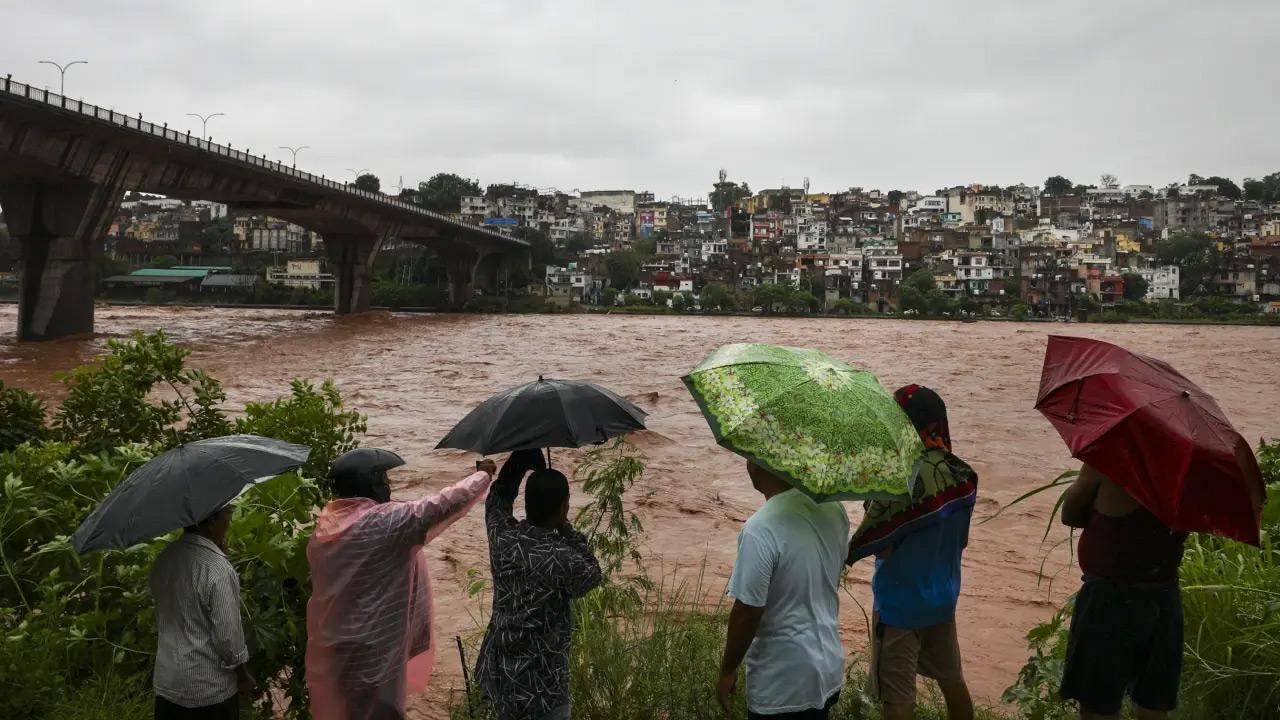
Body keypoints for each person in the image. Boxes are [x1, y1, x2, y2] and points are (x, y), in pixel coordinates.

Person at [305, 455, 496, 720]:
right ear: (369, 484)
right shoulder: (383, 523)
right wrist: (482, 476)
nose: (389, 485)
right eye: (383, 479)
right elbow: (441, 505)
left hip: (335, 651)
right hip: (375, 652)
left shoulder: (324, 530)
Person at [846, 384, 976, 720]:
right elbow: (960, 541)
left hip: (900, 607)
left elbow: (881, 546)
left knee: (898, 697)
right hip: (942, 599)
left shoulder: (899, 481)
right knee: (952, 681)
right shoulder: (963, 474)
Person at [717, 460, 849, 720]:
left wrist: (727, 670)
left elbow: (747, 611)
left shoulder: (760, 528)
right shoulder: (834, 509)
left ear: (759, 465)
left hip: (782, 683)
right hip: (828, 668)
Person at [476, 449, 603, 720]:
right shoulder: (561, 558)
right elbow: (592, 573)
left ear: (528, 503)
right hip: (544, 691)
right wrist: (565, 527)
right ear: (563, 507)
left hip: (503, 682)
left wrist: (521, 459)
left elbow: (497, 499)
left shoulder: (503, 540)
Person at [1058, 463, 1188, 720]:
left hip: (1111, 599)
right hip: (1164, 596)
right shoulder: (1187, 468)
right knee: (1153, 702)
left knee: (1098, 704)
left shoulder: (1110, 460)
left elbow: (1070, 513)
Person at [150, 505, 253, 720]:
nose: (229, 520)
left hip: (168, 684)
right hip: (208, 691)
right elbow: (229, 640)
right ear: (212, 521)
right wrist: (242, 675)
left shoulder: (164, 558)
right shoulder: (216, 568)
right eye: (227, 514)